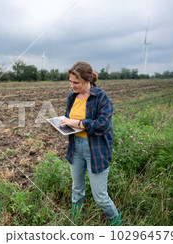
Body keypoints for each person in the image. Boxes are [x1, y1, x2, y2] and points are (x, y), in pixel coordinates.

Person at [60, 61, 122, 226]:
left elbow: (102, 125)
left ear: (88, 80)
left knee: (100, 197)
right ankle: (76, 221)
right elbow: (69, 120)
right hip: (76, 148)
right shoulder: (71, 97)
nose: (72, 85)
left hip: (97, 150)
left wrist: (75, 123)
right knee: (77, 190)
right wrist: (60, 126)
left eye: (76, 82)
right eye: (70, 81)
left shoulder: (102, 97)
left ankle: (117, 224)